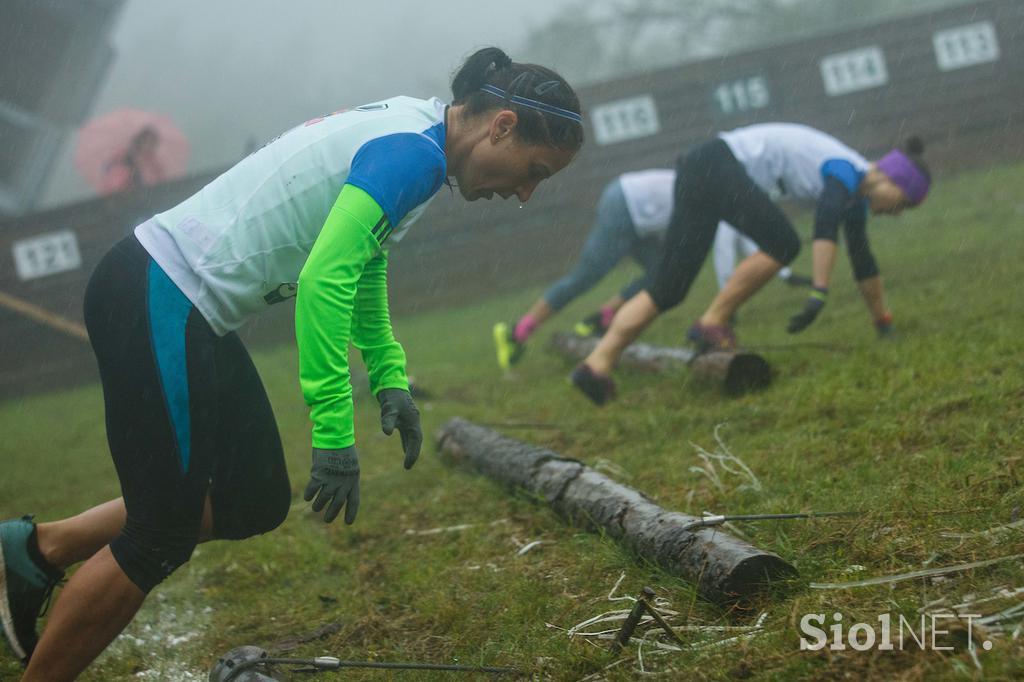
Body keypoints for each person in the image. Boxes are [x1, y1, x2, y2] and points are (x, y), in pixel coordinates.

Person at [0, 47, 583, 680]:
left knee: (253, 497)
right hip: (158, 295)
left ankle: (34, 550)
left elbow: (364, 262)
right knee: (160, 533)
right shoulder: (415, 153)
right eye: (534, 171)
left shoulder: (423, 137)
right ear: (500, 126)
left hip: (183, 306)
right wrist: (334, 434)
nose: (525, 192)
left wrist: (389, 376)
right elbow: (326, 278)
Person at [569, 123, 930, 405]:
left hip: (701, 167)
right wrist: (819, 290)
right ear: (888, 177)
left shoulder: (854, 190)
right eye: (903, 202)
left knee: (669, 286)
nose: (899, 213)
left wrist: (883, 323)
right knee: (783, 242)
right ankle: (712, 322)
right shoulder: (846, 170)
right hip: (714, 165)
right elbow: (825, 223)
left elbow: (862, 258)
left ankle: (596, 365)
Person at [492, 168, 808, 369]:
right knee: (587, 275)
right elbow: (729, 248)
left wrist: (783, 272)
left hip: (633, 204)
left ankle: (601, 318)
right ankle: (517, 333)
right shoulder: (718, 199)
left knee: (661, 274)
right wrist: (729, 305)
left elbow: (743, 244)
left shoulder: (716, 191)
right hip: (626, 204)